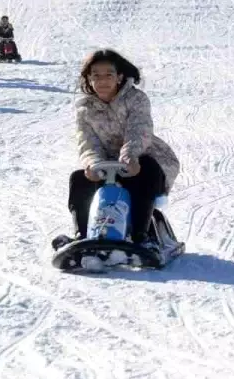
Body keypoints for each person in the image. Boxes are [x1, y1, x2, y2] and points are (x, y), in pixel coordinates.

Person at [65, 49, 180, 251]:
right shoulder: (85, 109)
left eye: (108, 75)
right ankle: (82, 237)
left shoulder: (136, 99)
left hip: (143, 158)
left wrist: (130, 156)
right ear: (89, 79)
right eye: (96, 75)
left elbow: (139, 130)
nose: (102, 81)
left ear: (119, 77)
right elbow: (87, 142)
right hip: (106, 165)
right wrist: (92, 163)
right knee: (79, 179)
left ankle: (141, 236)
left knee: (145, 169)